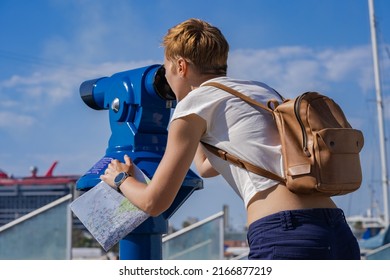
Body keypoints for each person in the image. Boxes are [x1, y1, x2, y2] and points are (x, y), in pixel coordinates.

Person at [100, 18, 360, 260]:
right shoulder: (260, 91)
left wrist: (121, 178)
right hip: (335, 228)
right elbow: (207, 166)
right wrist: (190, 119)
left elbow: (153, 202)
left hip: (285, 234)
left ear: (181, 66)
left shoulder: (193, 106)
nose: (167, 77)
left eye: (167, 69)